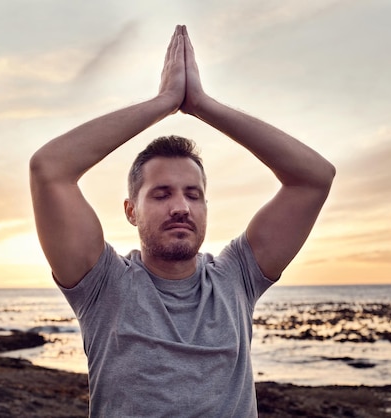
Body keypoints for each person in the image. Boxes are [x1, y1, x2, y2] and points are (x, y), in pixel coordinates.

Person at [29, 25, 335, 417]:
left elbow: (314, 179)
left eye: (193, 195)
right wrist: (165, 102)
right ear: (130, 211)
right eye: (161, 193)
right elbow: (49, 168)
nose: (181, 207)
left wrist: (203, 105)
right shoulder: (103, 285)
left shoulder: (235, 278)